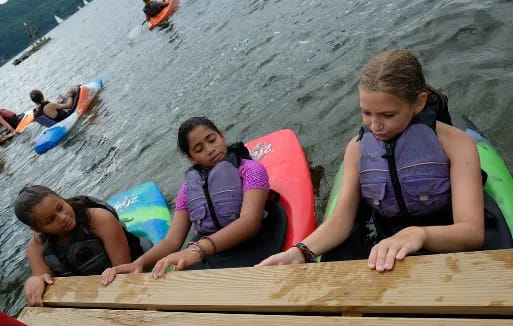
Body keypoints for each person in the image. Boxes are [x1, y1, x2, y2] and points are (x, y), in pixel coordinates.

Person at [257, 49, 484, 271]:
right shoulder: (356, 149)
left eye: (388, 115)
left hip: (443, 233)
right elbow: (340, 221)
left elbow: (472, 232)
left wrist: (419, 234)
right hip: (385, 238)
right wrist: (299, 252)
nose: (375, 126)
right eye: (366, 113)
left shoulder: (456, 144)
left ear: (419, 102)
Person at [101, 117, 282, 285]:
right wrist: (139, 263)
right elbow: (172, 241)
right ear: (191, 158)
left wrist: (197, 250)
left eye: (212, 140)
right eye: (199, 149)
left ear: (221, 135)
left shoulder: (250, 170)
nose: (210, 150)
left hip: (255, 241)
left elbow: (249, 222)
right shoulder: (187, 190)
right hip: (214, 251)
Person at [14, 185, 152, 306]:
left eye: (60, 207)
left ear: (62, 198)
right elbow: (44, 282)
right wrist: (36, 281)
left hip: (128, 267)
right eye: (50, 220)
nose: (62, 218)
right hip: (90, 291)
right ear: (37, 229)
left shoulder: (99, 219)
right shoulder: (36, 247)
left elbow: (123, 269)